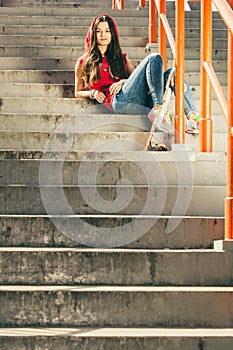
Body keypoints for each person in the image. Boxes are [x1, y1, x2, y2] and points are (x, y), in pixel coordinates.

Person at [75, 14, 200, 139]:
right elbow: (78, 91)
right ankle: (157, 110)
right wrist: (93, 93)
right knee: (154, 58)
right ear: (93, 34)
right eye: (99, 31)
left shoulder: (121, 59)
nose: (103, 35)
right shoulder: (84, 62)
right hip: (118, 101)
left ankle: (192, 117)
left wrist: (123, 82)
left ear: (112, 34)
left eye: (107, 31)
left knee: (174, 73)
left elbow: (137, 81)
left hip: (138, 100)